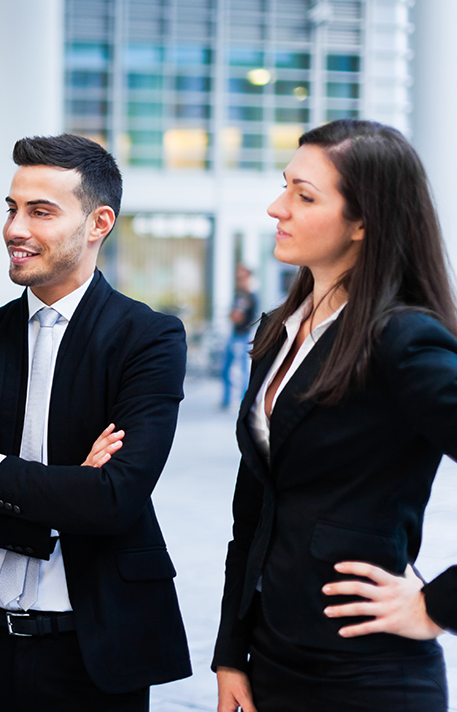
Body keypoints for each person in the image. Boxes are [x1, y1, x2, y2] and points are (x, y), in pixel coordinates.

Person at [0, 134, 192, 711]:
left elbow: (114, 498)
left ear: (97, 223)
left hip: (97, 647)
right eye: (11, 209)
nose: (15, 228)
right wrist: (58, 502)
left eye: (41, 211)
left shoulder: (149, 339)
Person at [213, 119, 457, 712]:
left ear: (363, 222)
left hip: (367, 672)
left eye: (305, 196)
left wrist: (437, 607)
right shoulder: (279, 331)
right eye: (284, 187)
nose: (278, 208)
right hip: (271, 660)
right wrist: (230, 651)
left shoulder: (404, 341)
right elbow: (256, 504)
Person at [220, 264, 257, 409]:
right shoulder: (240, 294)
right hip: (235, 335)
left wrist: (234, 314)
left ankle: (244, 401)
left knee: (242, 371)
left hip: (242, 336)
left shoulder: (247, 296)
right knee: (227, 369)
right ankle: (228, 399)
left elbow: (237, 317)